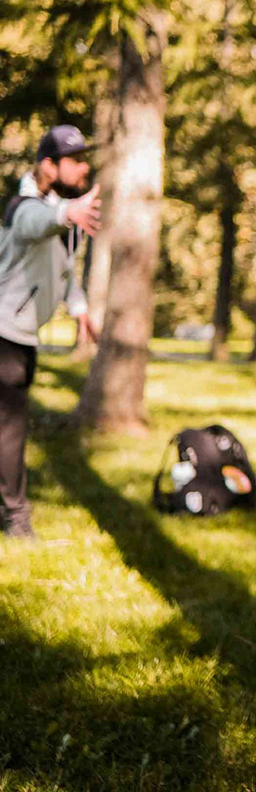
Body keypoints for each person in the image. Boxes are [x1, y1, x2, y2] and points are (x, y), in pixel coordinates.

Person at [0, 126, 102, 538]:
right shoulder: (25, 205)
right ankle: (16, 520)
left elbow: (64, 270)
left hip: (21, 336)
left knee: (9, 427)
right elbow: (31, 222)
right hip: (4, 334)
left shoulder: (58, 209)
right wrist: (65, 214)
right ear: (48, 165)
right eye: (75, 159)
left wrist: (80, 311)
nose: (85, 166)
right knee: (10, 429)